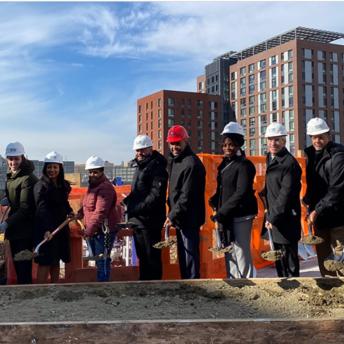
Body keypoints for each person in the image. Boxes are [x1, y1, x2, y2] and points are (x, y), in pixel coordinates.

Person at [209, 122, 258, 278]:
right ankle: (234, 279)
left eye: (231, 144)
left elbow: (241, 192)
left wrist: (222, 211)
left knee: (241, 249)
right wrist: (215, 200)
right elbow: (224, 187)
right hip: (228, 214)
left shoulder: (244, 165)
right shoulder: (225, 163)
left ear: (238, 144)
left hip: (241, 214)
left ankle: (246, 282)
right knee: (228, 247)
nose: (227, 148)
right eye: (224, 145)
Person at [123, 135, 168, 280]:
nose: (139, 153)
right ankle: (145, 284)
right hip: (140, 221)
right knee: (143, 256)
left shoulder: (157, 167)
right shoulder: (141, 167)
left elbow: (155, 195)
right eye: (137, 150)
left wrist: (134, 208)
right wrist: (126, 203)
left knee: (151, 256)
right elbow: (137, 192)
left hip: (151, 221)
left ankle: (154, 286)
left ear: (150, 148)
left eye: (142, 150)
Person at [303, 117, 344, 276]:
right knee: (323, 256)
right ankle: (328, 287)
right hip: (320, 218)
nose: (317, 140)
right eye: (314, 137)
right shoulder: (311, 155)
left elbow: (336, 189)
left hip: (338, 216)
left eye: (321, 136)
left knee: (339, 255)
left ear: (329, 135)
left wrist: (316, 210)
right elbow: (314, 184)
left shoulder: (338, 155)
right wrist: (307, 200)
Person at [260, 123, 302, 277]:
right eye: (270, 140)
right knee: (279, 259)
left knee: (289, 261)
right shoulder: (271, 158)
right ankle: (284, 292)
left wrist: (272, 217)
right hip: (275, 217)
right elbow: (275, 185)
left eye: (277, 140)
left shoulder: (289, 164)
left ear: (284, 141)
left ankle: (294, 294)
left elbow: (286, 194)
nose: (273, 143)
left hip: (286, 219)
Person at [164, 125, 206, 279]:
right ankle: (187, 284)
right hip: (181, 216)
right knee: (184, 256)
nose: (174, 147)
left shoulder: (191, 164)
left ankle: (193, 285)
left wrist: (172, 215)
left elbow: (186, 195)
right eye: (172, 143)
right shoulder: (176, 161)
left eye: (177, 143)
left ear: (185, 141)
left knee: (190, 256)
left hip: (189, 217)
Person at [0, 142, 38, 284]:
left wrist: (6, 224)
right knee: (17, 265)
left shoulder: (27, 178)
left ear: (22, 158)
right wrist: (7, 200)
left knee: (23, 267)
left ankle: (26, 295)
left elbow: (25, 208)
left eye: (16, 158)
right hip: (16, 229)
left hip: (24, 231)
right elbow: (13, 197)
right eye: (10, 158)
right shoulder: (12, 176)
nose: (13, 162)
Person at [33, 151, 74, 283]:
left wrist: (70, 211)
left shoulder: (63, 185)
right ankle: (40, 291)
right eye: (49, 167)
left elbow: (63, 202)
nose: (52, 170)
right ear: (45, 168)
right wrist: (46, 230)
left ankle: (54, 290)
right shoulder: (41, 186)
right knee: (45, 261)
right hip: (46, 229)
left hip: (60, 227)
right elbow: (41, 209)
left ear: (60, 168)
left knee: (56, 259)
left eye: (55, 167)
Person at [78, 155, 120, 282]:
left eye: (95, 172)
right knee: (99, 260)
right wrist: (79, 213)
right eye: (90, 172)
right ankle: (101, 284)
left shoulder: (105, 188)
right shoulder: (93, 186)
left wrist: (89, 230)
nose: (92, 174)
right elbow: (88, 205)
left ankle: (103, 287)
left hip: (102, 231)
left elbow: (100, 212)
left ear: (102, 171)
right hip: (95, 230)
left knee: (102, 261)